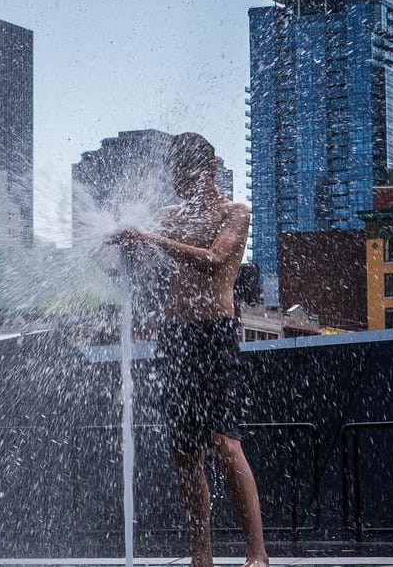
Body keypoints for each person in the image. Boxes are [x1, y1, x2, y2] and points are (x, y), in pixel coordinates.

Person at [110, 133, 268, 567]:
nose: (179, 184)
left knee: (224, 442)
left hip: (214, 334)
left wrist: (152, 239)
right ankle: (201, 558)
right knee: (184, 453)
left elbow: (215, 259)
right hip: (175, 337)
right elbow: (140, 257)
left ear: (211, 170)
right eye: (175, 175)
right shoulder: (168, 216)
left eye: (187, 175)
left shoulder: (234, 212)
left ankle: (257, 554)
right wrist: (125, 243)